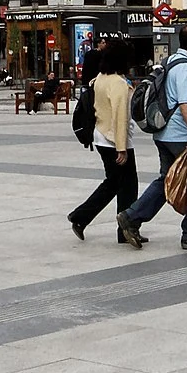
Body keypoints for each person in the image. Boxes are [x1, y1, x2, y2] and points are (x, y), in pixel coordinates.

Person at [116, 26, 187, 251]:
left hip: (163, 132)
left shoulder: (169, 61)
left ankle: (131, 217)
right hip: (180, 135)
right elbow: (186, 103)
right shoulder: (186, 67)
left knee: (168, 180)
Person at [68, 47, 139, 241]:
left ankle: (82, 217)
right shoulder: (118, 83)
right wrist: (122, 148)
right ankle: (124, 228)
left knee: (114, 183)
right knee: (128, 185)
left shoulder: (100, 78)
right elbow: (120, 116)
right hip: (114, 139)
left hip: (100, 135)